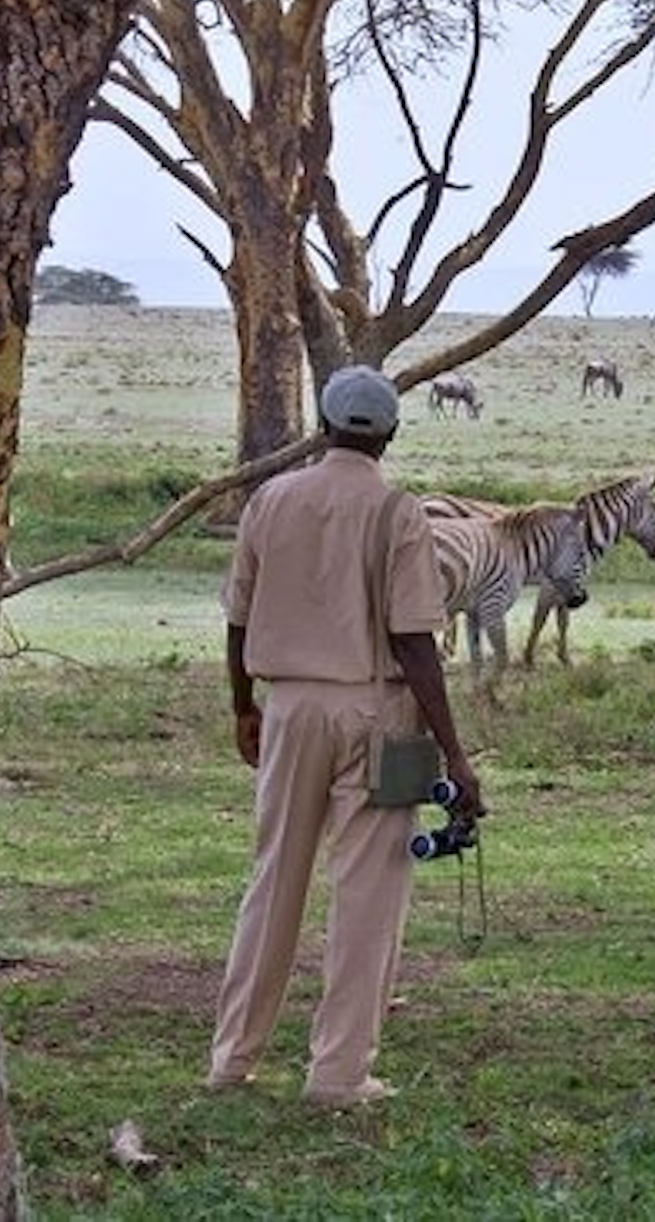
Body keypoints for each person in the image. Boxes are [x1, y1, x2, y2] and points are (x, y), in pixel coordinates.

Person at [207, 365, 481, 1107]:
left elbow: (238, 618)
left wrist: (244, 706)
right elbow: (415, 641)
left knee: (275, 876)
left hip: (289, 706)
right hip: (380, 713)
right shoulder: (398, 512)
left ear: (324, 425)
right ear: (390, 433)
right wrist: (454, 752)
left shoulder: (271, 499)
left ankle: (233, 1057)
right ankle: (338, 1072)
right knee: (369, 891)